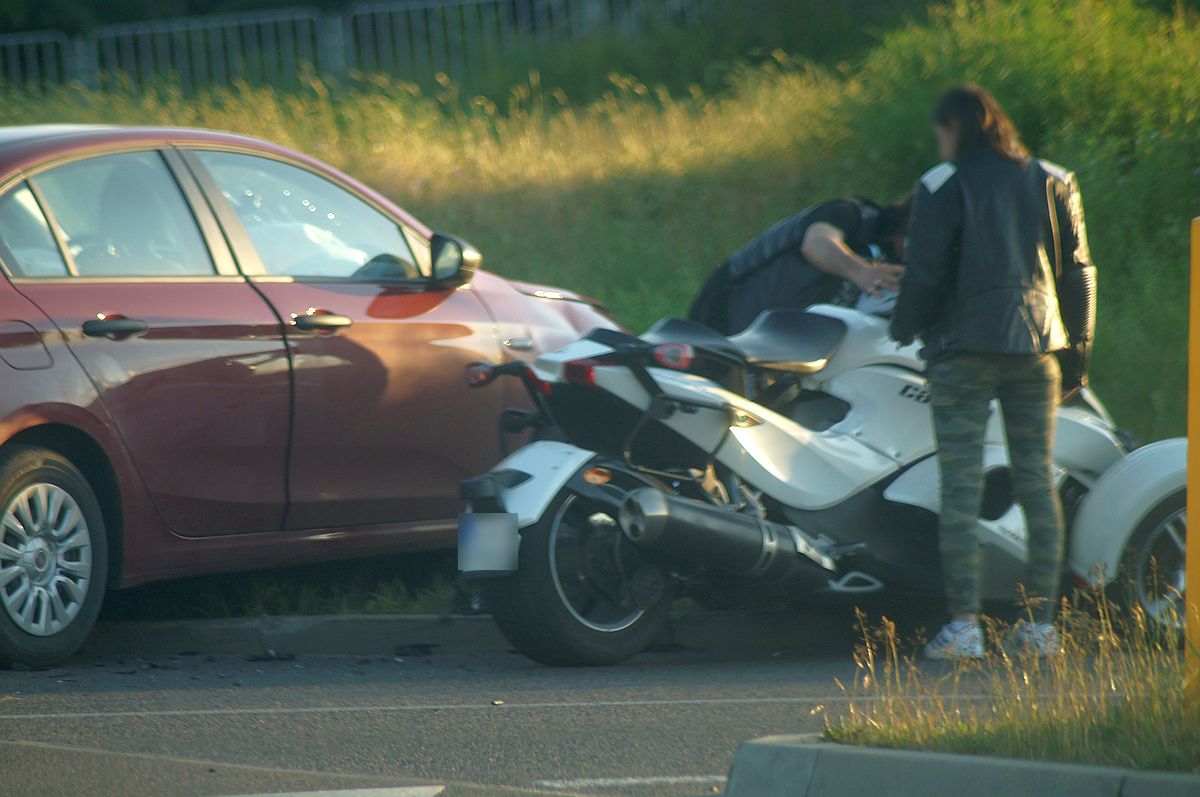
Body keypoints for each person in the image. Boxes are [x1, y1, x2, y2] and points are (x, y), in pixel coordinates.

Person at [890, 84, 1097, 659]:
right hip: (1037, 349)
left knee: (960, 486)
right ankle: (1042, 628)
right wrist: (1076, 356)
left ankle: (965, 628)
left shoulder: (941, 184)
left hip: (962, 353)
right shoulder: (1053, 177)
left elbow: (925, 274)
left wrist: (903, 328)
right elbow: (1078, 273)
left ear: (955, 128)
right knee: (1036, 483)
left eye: (942, 132)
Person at [689, 197, 910, 335]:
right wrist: (861, 271)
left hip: (779, 340)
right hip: (727, 311)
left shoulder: (897, 264)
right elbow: (816, 244)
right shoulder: (851, 213)